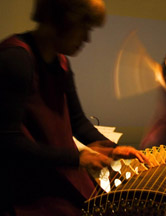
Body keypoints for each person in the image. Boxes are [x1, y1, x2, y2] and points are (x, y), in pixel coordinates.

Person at [0, 0, 148, 215]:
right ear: (62, 21)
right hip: (27, 193)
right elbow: (8, 142)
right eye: (84, 28)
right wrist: (77, 158)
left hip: (57, 177)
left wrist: (112, 149)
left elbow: (77, 122)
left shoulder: (61, 63)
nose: (87, 39)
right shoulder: (15, 59)